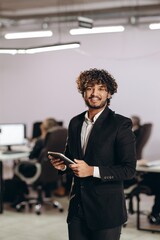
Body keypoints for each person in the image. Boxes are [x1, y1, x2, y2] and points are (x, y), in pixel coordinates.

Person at [49, 68, 136, 240]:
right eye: (89, 88)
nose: (94, 93)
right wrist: (63, 166)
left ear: (109, 93)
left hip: (106, 211)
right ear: (83, 92)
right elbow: (71, 158)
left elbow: (129, 170)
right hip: (77, 208)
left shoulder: (121, 124)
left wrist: (92, 171)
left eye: (101, 88)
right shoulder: (75, 122)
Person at [131, 115, 160, 225]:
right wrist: (138, 162)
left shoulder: (133, 137)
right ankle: (155, 214)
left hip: (135, 171)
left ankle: (155, 213)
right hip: (126, 177)